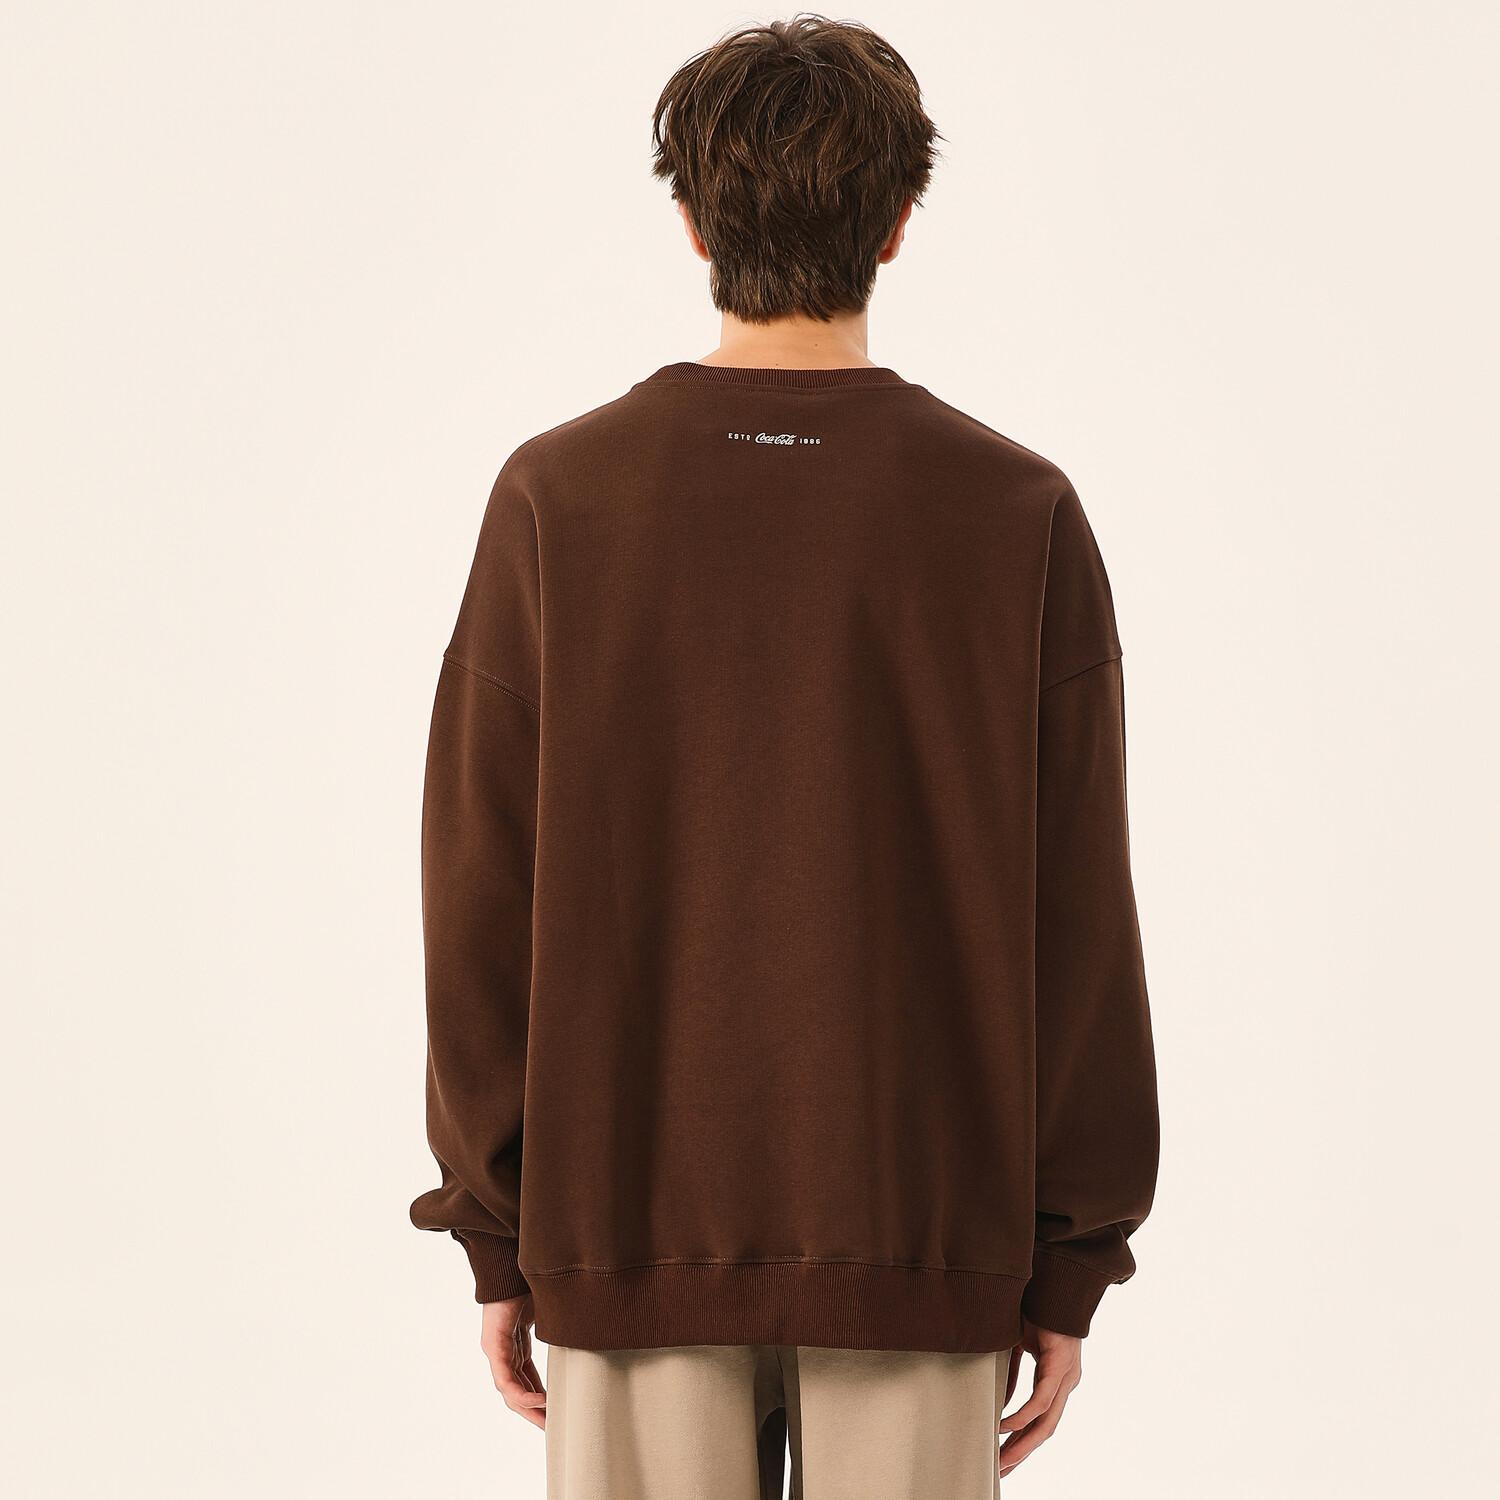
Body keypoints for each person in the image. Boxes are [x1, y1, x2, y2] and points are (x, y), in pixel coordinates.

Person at [411, 15, 1158, 1497]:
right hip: (921, 1228)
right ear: (897, 223)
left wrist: (496, 1229)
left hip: (625, 1222)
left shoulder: (560, 497)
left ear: (692, 223)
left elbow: (480, 892)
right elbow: (1080, 915)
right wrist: (1069, 1257)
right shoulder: (1013, 510)